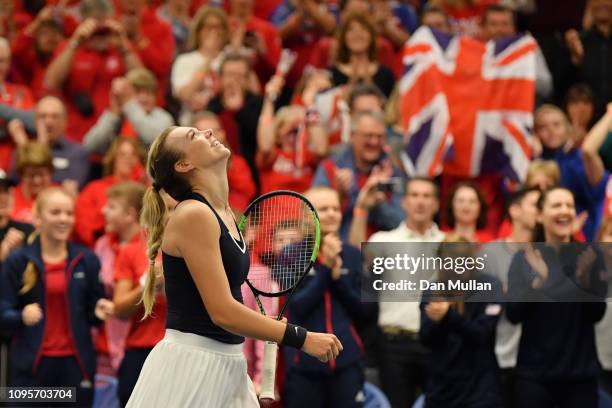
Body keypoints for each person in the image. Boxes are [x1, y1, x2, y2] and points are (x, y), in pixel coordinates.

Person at [125, 126, 342, 407]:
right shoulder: (194, 214)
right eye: (194, 136)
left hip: (229, 363)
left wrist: (265, 327)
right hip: (193, 367)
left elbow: (229, 303)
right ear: (184, 164)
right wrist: (301, 338)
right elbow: (222, 312)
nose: (208, 130)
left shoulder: (224, 213)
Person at [0, 187, 114, 407]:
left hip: (75, 367)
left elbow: (93, 314)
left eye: (69, 213)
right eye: (55, 212)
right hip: (31, 371)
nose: (64, 219)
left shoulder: (87, 259)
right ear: (38, 218)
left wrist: (100, 310)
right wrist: (21, 316)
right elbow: (3, 313)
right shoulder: (18, 261)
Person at [506, 187, 607, 408]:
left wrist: (584, 284)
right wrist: (537, 284)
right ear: (540, 216)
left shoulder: (589, 256)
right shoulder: (525, 258)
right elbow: (513, 314)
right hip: (534, 377)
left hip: (580, 376)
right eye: (556, 205)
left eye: (569, 205)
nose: (565, 211)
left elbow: (596, 314)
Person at [283, 186, 365, 407]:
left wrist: (340, 280)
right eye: (323, 208)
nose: (331, 213)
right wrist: (327, 269)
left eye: (336, 208)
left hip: (347, 363)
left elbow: (366, 312)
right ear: (306, 216)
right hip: (304, 364)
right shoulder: (291, 255)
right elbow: (297, 307)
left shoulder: (353, 255)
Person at [367, 177, 445, 407]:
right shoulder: (382, 240)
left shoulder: (448, 243)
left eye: (426, 196)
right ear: (404, 202)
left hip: (436, 343)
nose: (420, 202)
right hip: (394, 343)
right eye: (414, 195)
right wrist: (362, 209)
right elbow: (353, 260)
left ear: (436, 204)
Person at [420, 236, 503, 408]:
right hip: (442, 391)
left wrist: (448, 316)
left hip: (480, 392)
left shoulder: (489, 286)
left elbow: (482, 334)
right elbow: (426, 339)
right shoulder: (432, 290)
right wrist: (438, 321)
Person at [480, 187, 541, 408]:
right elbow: (482, 301)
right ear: (515, 210)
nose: (541, 210)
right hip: (500, 357)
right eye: (535, 204)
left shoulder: (550, 254)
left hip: (539, 360)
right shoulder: (490, 253)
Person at [113, 191, 173, 407]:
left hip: (182, 351)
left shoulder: (198, 250)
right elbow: (119, 308)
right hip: (142, 350)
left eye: (178, 208)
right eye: (168, 209)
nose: (173, 216)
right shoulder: (132, 250)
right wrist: (150, 284)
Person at [312, 110, 405, 241]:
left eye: (379, 137)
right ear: (352, 136)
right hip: (340, 250)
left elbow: (402, 222)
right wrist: (341, 197)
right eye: (368, 136)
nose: (374, 142)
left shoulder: (391, 173)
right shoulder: (330, 169)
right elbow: (313, 220)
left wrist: (378, 202)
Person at [83, 67, 174, 155]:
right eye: (138, 92)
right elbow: (90, 145)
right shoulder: (119, 116)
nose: (144, 98)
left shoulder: (163, 117)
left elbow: (154, 139)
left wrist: (129, 106)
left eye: (149, 93)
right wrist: (113, 114)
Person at [74, 137, 146, 248]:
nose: (128, 159)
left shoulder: (145, 190)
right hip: (100, 249)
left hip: (140, 246)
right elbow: (84, 229)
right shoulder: (95, 188)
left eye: (134, 155)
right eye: (122, 154)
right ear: (113, 159)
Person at [7, 96, 91, 189]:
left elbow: (75, 185)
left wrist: (41, 147)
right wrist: (28, 148)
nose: (48, 122)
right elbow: (15, 181)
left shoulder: (77, 151)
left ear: (65, 121)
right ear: (35, 121)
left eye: (55, 117)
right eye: (43, 116)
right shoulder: (23, 148)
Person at [481, 4, 553, 104]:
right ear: (483, 28)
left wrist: (515, 79)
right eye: (494, 24)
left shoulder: (527, 48)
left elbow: (546, 86)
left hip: (522, 105)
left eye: (505, 24)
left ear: (514, 28)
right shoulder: (474, 51)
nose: (499, 29)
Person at [171, 6, 231, 126]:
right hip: (191, 123)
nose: (214, 32)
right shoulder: (185, 60)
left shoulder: (230, 59)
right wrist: (208, 58)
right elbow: (185, 94)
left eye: (218, 27)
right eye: (208, 27)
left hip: (224, 123)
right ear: (198, 31)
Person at [192, 111, 256, 213]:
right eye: (202, 132)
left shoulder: (237, 164)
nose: (211, 137)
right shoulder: (188, 168)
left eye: (214, 132)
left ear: (223, 133)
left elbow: (245, 195)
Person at [329, 11, 396, 98]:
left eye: (363, 29)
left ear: (371, 36)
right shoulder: (332, 75)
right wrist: (352, 82)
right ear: (343, 37)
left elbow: (391, 107)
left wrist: (369, 82)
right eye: (351, 29)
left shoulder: (386, 75)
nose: (357, 34)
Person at [10, 142, 55, 224]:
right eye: (31, 175)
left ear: (50, 172)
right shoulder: (10, 198)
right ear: (21, 174)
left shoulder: (62, 197)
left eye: (41, 174)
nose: (36, 181)